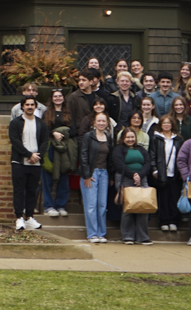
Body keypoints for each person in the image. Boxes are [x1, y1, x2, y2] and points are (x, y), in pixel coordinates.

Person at [8, 82, 49, 231]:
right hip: (19, 162)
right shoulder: (15, 123)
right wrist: (28, 154)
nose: (30, 107)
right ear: (23, 107)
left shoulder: (41, 124)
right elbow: (15, 142)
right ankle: (19, 218)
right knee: (19, 190)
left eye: (32, 105)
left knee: (32, 191)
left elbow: (45, 141)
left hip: (35, 163)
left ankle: (30, 217)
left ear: (35, 107)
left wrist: (37, 156)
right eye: (27, 105)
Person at [114, 128, 155, 244]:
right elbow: (119, 164)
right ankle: (128, 236)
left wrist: (139, 175)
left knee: (143, 206)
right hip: (125, 179)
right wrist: (133, 175)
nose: (130, 139)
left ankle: (143, 236)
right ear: (123, 138)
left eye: (132, 137)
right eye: (127, 137)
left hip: (142, 179)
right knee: (128, 208)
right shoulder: (119, 149)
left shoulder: (141, 149)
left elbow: (147, 163)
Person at [80, 113, 115, 243]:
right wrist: (87, 175)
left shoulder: (108, 137)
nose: (101, 123)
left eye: (103, 121)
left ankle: (101, 233)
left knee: (102, 204)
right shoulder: (88, 137)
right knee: (91, 205)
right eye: (98, 121)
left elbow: (110, 158)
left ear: (107, 123)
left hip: (104, 173)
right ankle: (92, 234)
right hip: (91, 173)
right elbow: (83, 155)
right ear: (94, 122)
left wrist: (110, 176)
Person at [44, 88, 77, 219]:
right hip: (50, 148)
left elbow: (74, 130)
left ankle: (61, 205)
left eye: (60, 96)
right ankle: (49, 206)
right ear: (52, 99)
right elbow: (42, 130)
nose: (58, 98)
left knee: (63, 177)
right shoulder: (47, 114)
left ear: (64, 98)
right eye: (55, 96)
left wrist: (63, 134)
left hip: (64, 149)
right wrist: (53, 133)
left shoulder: (69, 114)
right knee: (47, 177)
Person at [151, 114, 184, 234]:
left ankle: (174, 221)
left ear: (172, 125)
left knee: (174, 198)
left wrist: (181, 170)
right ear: (160, 125)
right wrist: (154, 169)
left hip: (174, 173)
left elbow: (182, 156)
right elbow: (152, 154)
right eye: (164, 123)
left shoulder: (178, 139)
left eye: (168, 123)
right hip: (161, 173)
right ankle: (164, 221)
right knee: (163, 198)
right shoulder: (156, 138)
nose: (166, 125)